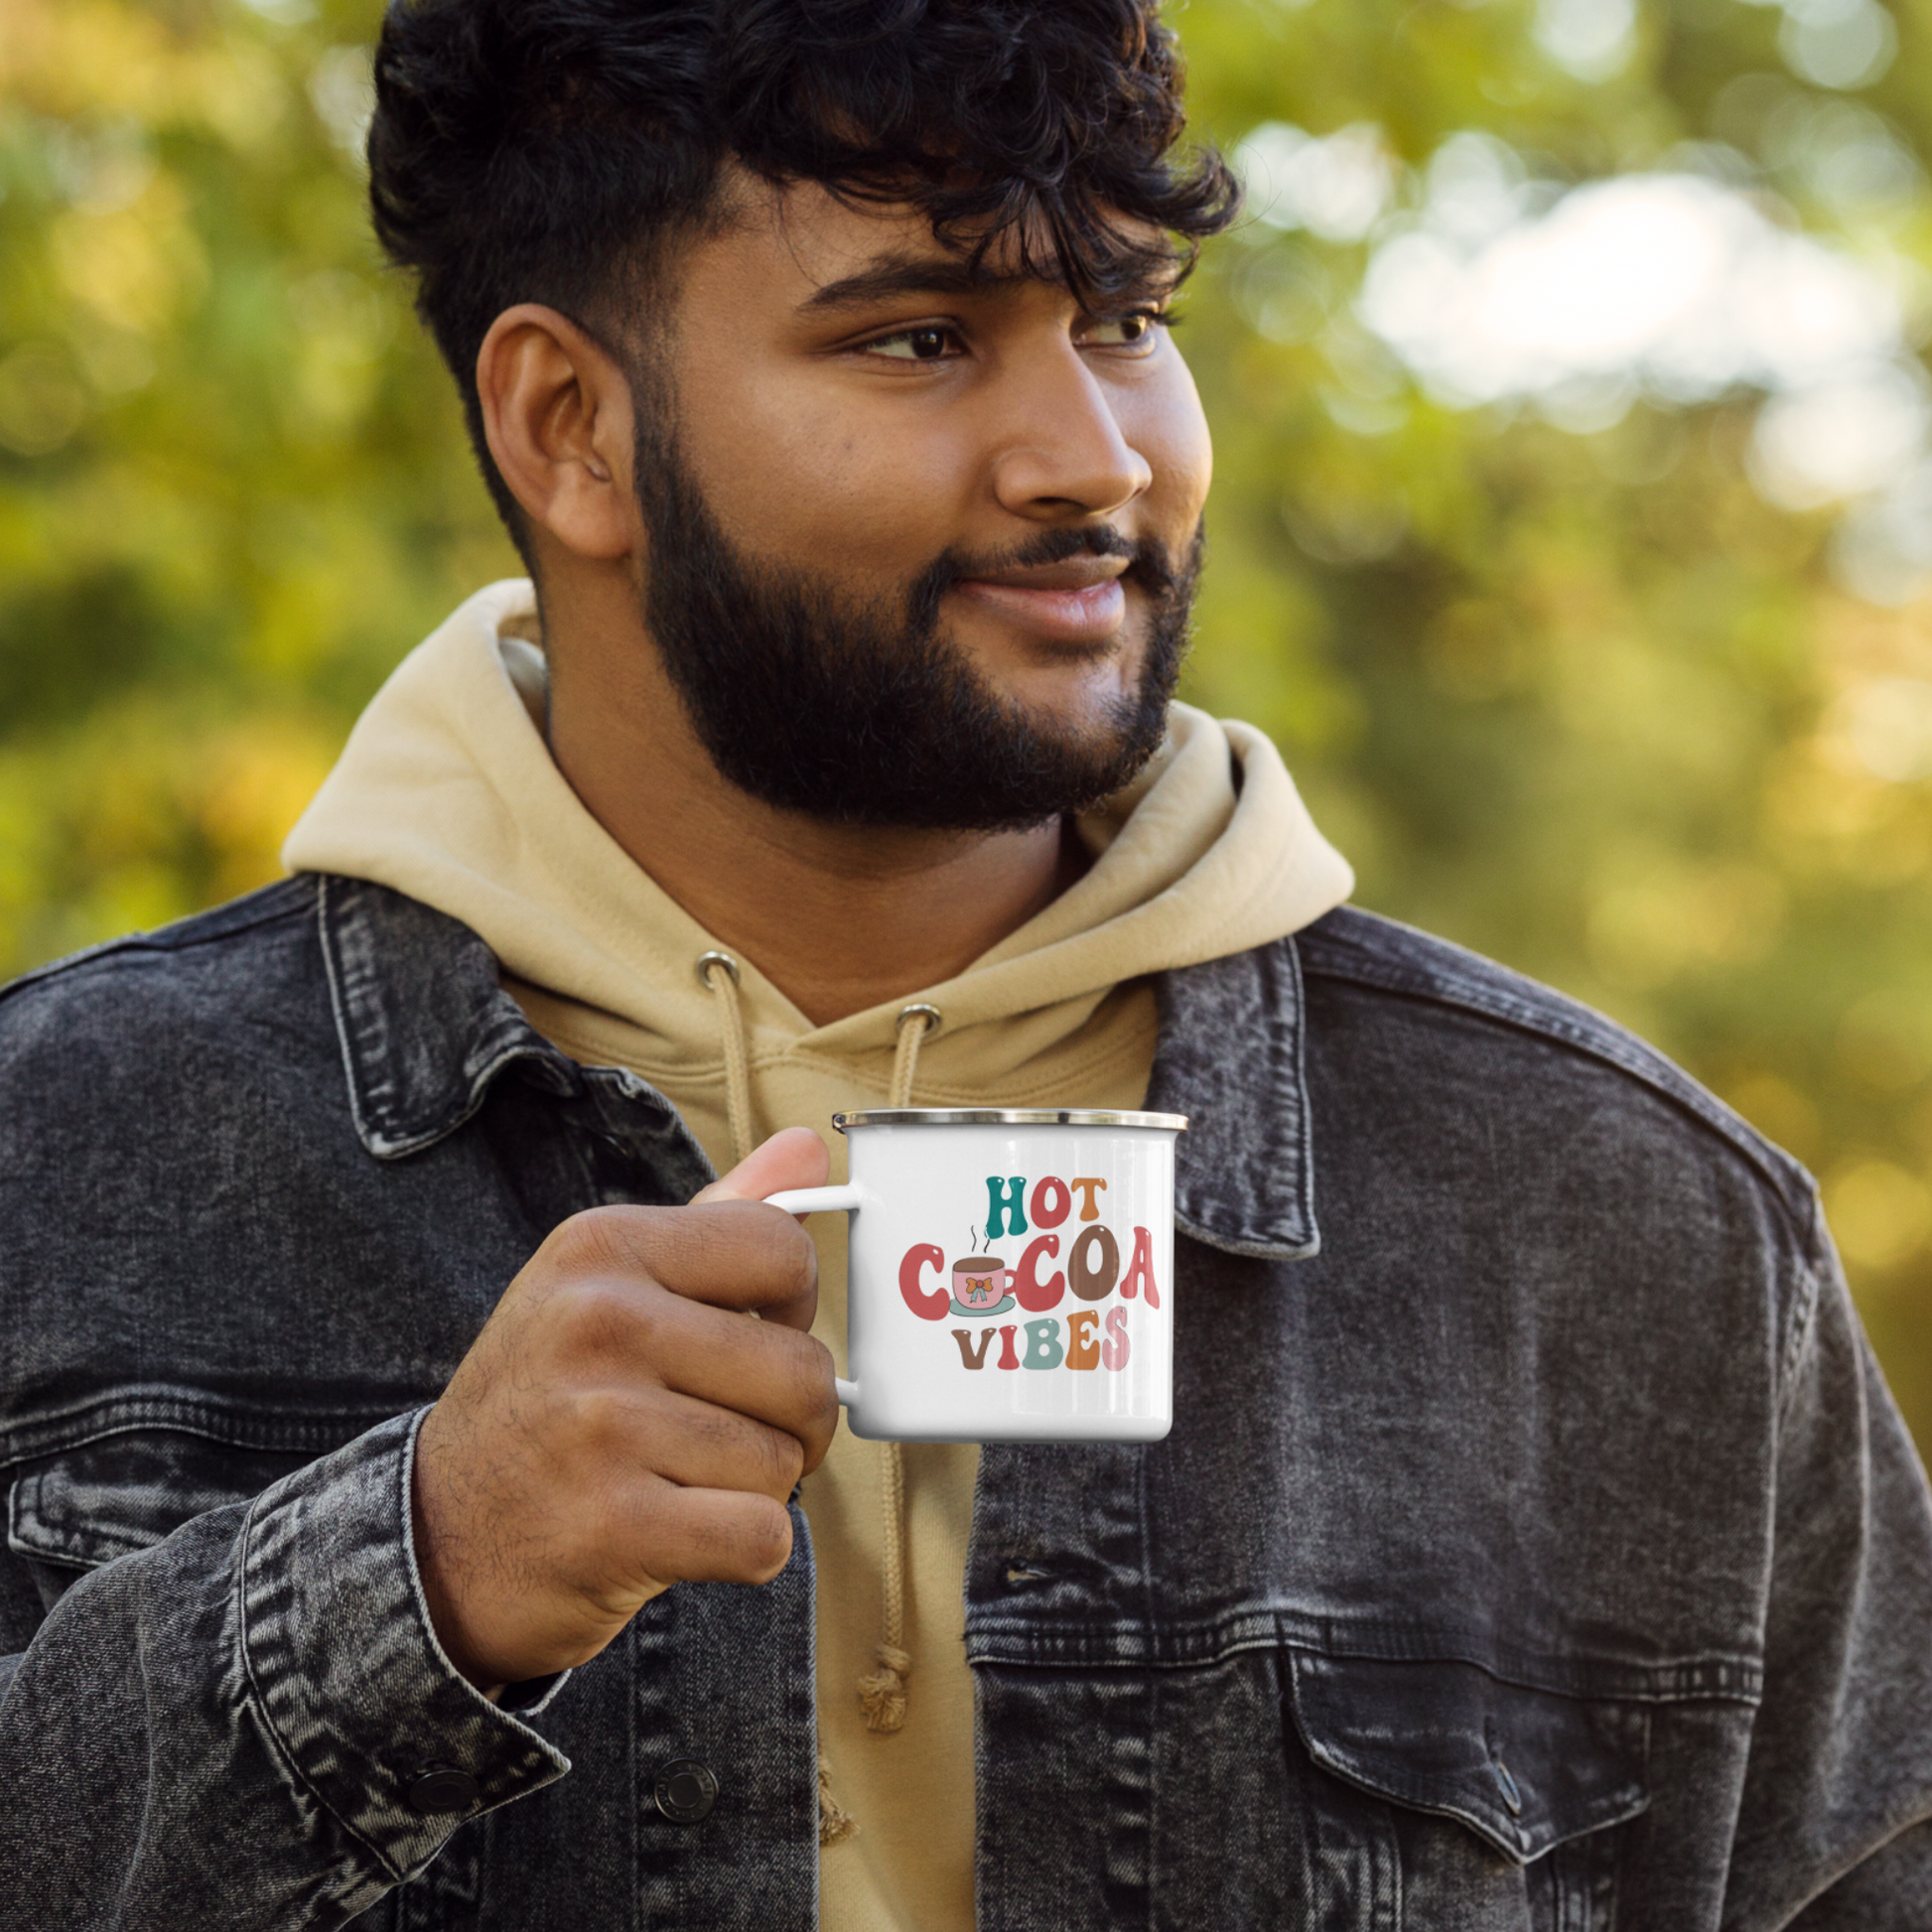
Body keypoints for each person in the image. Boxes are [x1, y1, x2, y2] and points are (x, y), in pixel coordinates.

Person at [2, 0, 1930, 1925]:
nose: (1091, 463)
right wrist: (402, 1586)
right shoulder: (55, 1163)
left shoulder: (1631, 1232)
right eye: (921, 336)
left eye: (1127, 319)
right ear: (568, 426)